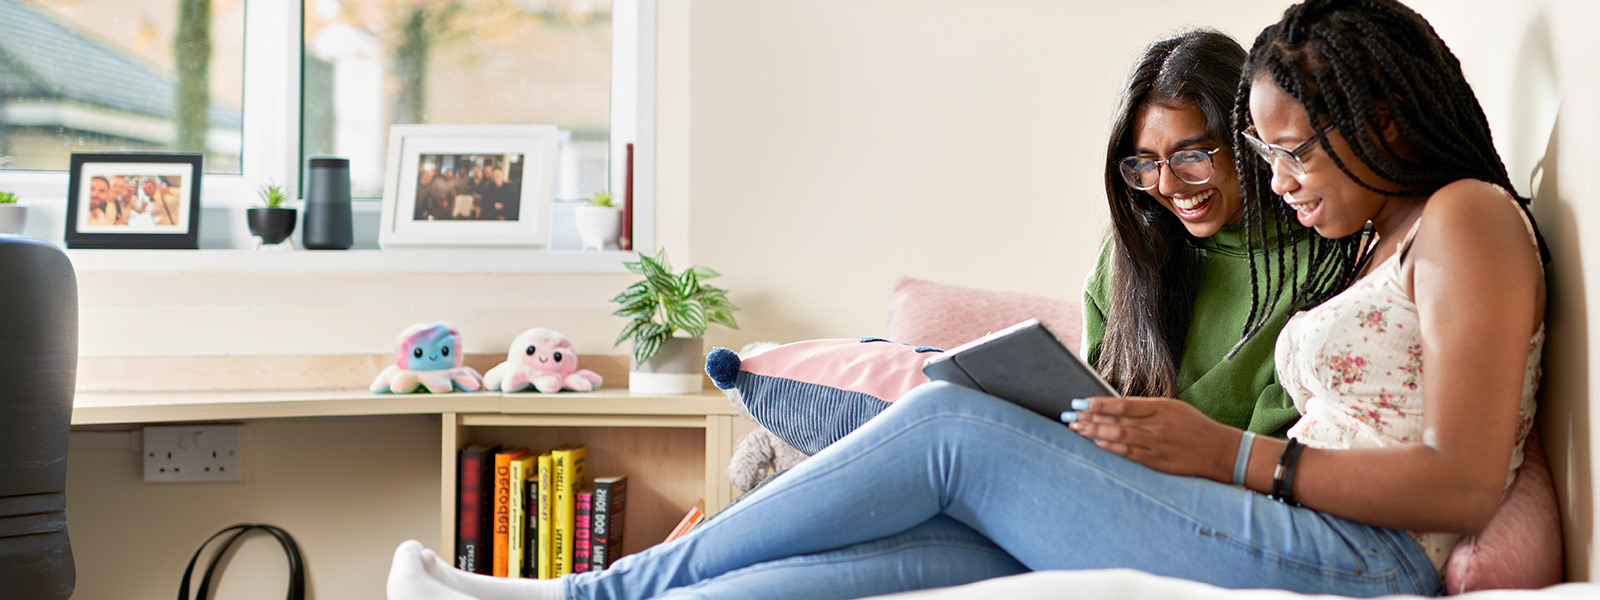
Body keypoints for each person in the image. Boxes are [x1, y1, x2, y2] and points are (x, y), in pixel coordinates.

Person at [387, 1, 1543, 598]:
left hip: (1354, 558)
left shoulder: (1467, 218)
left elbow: (1465, 475)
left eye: (1292, 155)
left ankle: (595, 591)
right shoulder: (1382, 229)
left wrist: (1226, 456)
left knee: (947, 430)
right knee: (941, 539)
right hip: (1304, 527)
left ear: (1382, 116)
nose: (1280, 185)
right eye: (1269, 155)